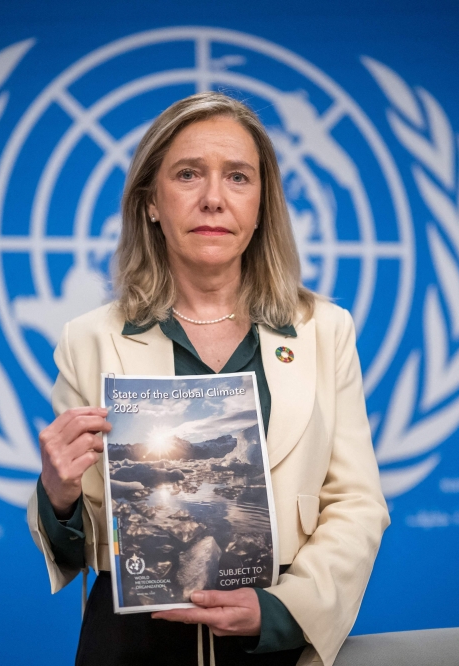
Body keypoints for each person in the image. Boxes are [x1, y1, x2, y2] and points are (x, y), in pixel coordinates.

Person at [27, 91, 389, 666]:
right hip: (135, 646)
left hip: (276, 644)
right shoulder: (89, 339)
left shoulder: (325, 330)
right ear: (150, 202)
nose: (214, 199)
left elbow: (357, 502)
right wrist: (60, 495)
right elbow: (84, 535)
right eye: (188, 174)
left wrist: (284, 610)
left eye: (238, 177)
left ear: (262, 203)